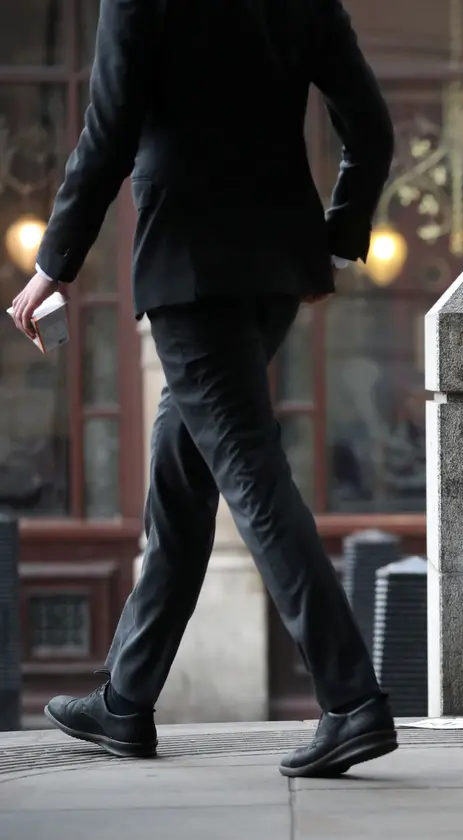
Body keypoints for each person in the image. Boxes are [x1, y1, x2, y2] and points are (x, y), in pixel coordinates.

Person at [7, 0, 397, 777]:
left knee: (250, 478)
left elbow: (107, 132)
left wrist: (53, 264)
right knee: (181, 485)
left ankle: (352, 700)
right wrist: (337, 243)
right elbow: (372, 129)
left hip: (189, 268)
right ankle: (125, 698)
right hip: (275, 269)